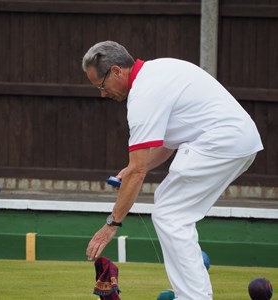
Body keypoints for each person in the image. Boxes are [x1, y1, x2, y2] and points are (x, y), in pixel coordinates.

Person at [82, 41, 263, 300]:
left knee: (170, 214)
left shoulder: (143, 94)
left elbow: (139, 171)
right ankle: (191, 289)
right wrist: (130, 168)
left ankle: (193, 296)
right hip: (239, 141)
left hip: (222, 141)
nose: (102, 94)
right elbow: (164, 147)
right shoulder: (159, 71)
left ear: (116, 71)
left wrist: (112, 224)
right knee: (172, 213)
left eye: (101, 86)